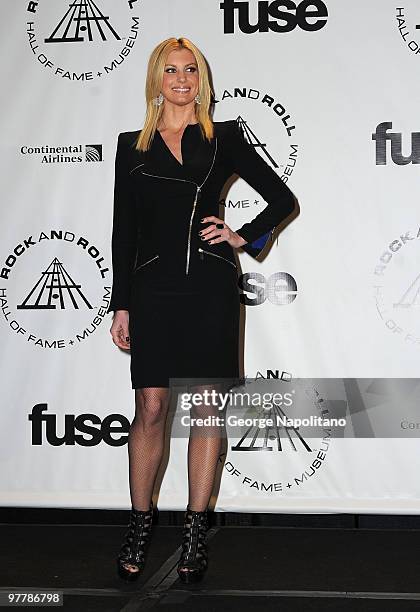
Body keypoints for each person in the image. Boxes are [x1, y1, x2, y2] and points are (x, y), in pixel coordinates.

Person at [108, 36, 297, 583]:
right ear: (156, 79)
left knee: (208, 409)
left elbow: (282, 200)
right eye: (171, 70)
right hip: (153, 290)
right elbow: (125, 231)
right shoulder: (131, 146)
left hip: (211, 288)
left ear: (202, 79)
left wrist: (244, 237)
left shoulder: (225, 138)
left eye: (191, 70)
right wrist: (121, 304)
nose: (182, 79)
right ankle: (140, 522)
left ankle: (194, 530)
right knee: (150, 407)